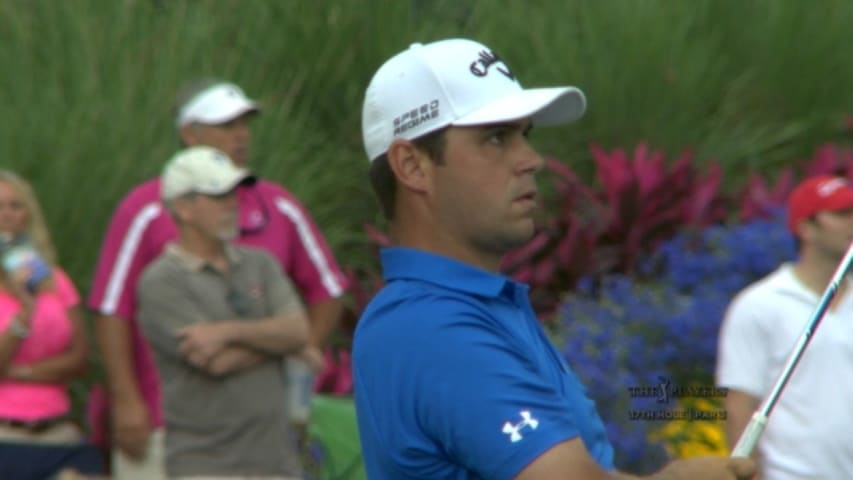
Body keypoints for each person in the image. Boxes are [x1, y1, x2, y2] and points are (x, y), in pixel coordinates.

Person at [352, 38, 756, 479]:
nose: (531, 159)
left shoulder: (468, 309)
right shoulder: (430, 326)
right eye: (495, 137)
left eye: (524, 135)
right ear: (412, 166)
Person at [87, 79, 348, 478]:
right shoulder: (144, 210)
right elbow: (111, 309)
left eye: (244, 124)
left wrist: (297, 350)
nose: (240, 135)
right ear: (189, 133)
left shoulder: (278, 206)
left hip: (268, 437)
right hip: (174, 430)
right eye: (226, 126)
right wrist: (126, 401)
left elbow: (327, 291)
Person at [137, 146, 311, 478]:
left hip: (278, 465)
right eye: (217, 195)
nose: (232, 203)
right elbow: (216, 362)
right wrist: (280, 343)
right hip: (206, 467)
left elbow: (299, 330)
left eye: (233, 193)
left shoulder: (261, 263)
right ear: (183, 208)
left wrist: (226, 332)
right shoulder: (161, 280)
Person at [717, 174, 853, 479]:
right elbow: (740, 406)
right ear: (806, 228)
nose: (851, 222)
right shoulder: (758, 305)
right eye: (841, 214)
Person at [0, 171, 101, 478]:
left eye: (15, 205)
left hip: (57, 429)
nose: (6, 214)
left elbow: (79, 359)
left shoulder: (57, 281)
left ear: (27, 215)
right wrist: (25, 311)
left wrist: (19, 372)